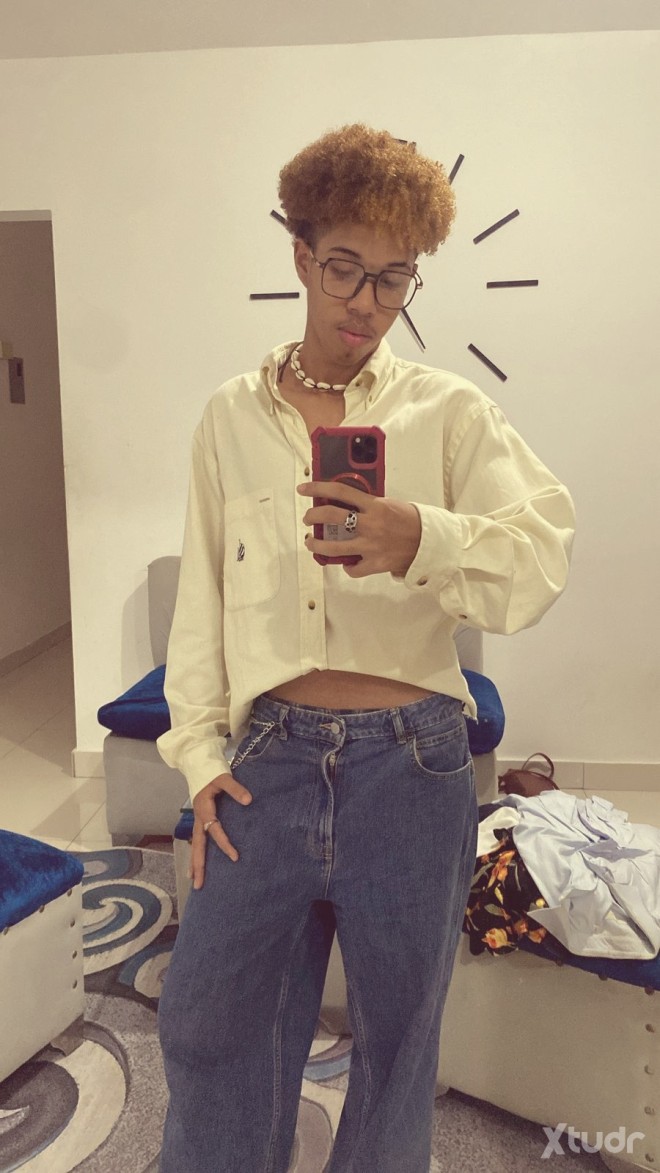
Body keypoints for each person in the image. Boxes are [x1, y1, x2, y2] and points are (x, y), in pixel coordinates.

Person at [156, 124, 575, 1173]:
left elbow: (541, 554)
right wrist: (198, 758)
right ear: (302, 256)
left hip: (415, 762)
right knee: (208, 1022)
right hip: (268, 760)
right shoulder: (228, 418)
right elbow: (203, 603)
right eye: (346, 268)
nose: (368, 302)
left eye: (395, 279)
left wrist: (419, 537)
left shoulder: (451, 412)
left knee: (399, 1040)